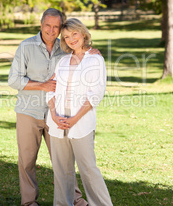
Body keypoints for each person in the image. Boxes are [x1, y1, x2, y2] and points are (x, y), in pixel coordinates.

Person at [8, 9, 92, 206]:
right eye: (48, 25)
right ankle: (29, 202)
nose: (51, 30)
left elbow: (81, 51)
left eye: (56, 26)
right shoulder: (26, 46)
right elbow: (14, 79)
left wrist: (91, 50)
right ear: (41, 25)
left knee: (63, 161)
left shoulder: (65, 47)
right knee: (27, 160)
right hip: (29, 112)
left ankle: (76, 199)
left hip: (57, 114)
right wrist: (42, 85)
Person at [46, 18, 112, 206]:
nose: (71, 39)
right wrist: (53, 114)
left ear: (83, 34)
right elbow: (51, 88)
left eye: (74, 34)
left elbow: (95, 94)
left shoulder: (95, 59)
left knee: (88, 169)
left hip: (80, 123)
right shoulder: (63, 61)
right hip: (57, 123)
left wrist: (74, 118)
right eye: (66, 37)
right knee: (61, 171)